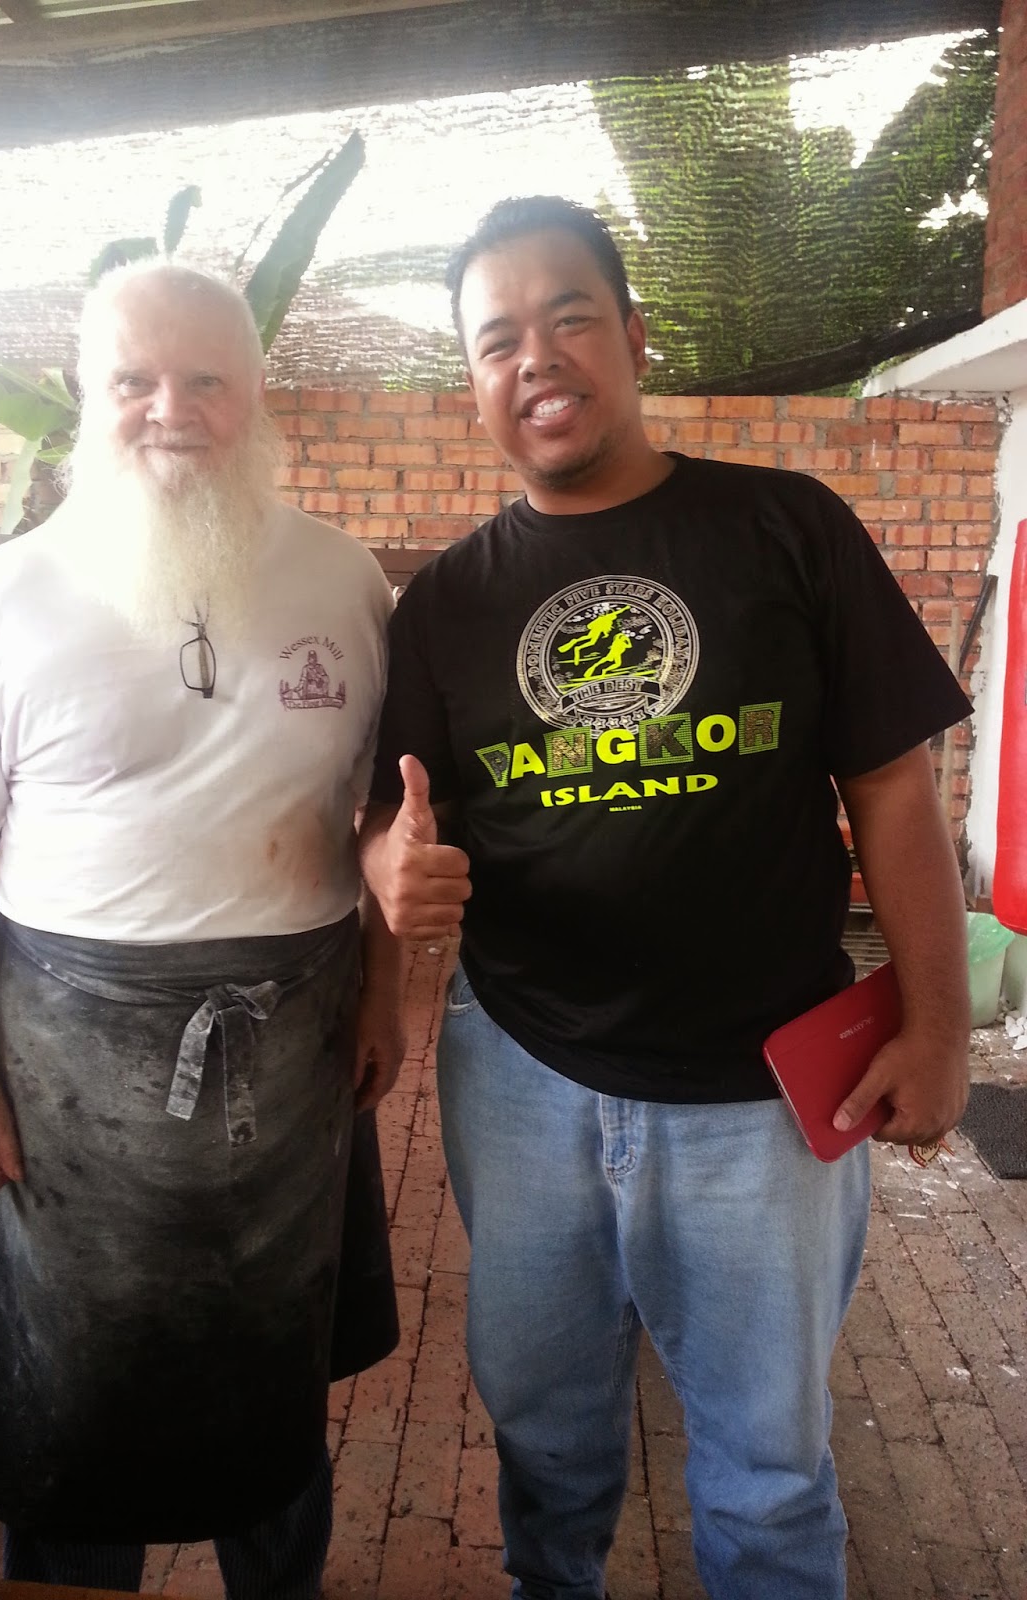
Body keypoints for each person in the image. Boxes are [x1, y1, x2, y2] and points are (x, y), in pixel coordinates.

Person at [359, 196, 972, 1600]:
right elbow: (389, 819)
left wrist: (938, 1028)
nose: (536, 357)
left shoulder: (787, 527)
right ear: (475, 383)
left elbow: (892, 788)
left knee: (769, 1466)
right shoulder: (445, 603)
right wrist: (388, 869)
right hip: (524, 1075)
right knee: (545, 1439)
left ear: (634, 338)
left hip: (764, 1090)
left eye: (569, 317)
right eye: (497, 340)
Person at [0, 261, 403, 1596]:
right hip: (64, 1059)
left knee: (271, 1362)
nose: (172, 409)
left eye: (205, 379)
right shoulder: (2, 596)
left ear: (256, 392)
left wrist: (384, 994)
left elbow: (388, 818)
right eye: (135, 381)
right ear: (86, 395)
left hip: (294, 1039)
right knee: (68, 1388)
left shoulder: (345, 581)